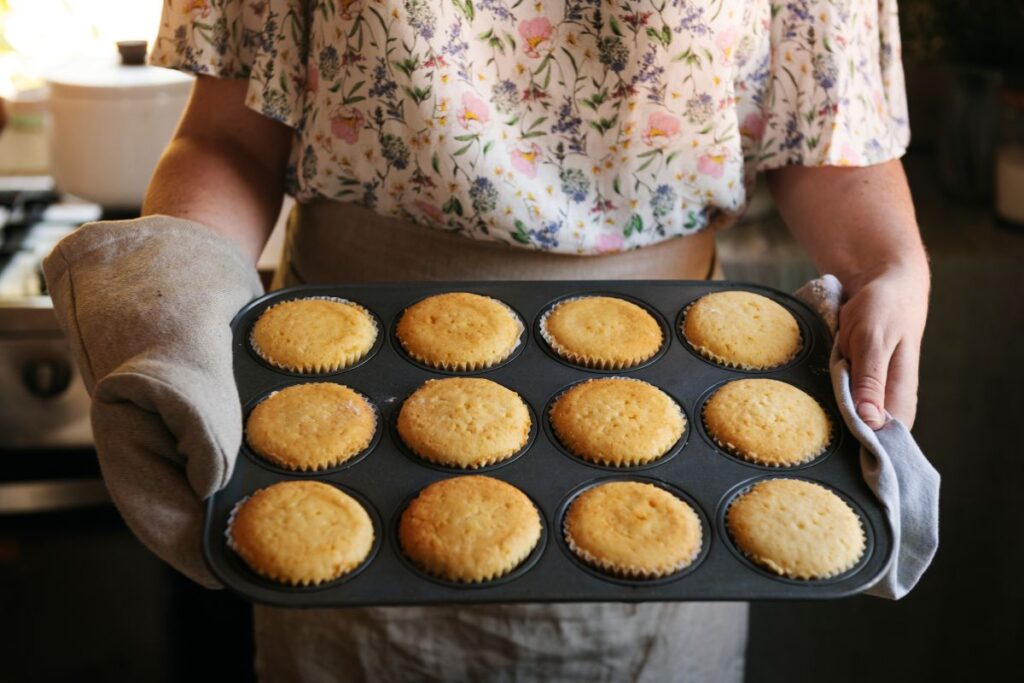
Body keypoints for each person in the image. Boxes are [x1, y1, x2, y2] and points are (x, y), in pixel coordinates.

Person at [43, 1, 930, 680]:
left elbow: (830, 136)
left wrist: (891, 261)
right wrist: (175, 298)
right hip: (345, 416)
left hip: (670, 415)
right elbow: (229, 137)